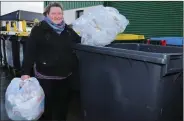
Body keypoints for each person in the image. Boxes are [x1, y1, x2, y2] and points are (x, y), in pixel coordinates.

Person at [21, 2, 81, 121]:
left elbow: (81, 42)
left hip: (65, 78)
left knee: (62, 108)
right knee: (46, 110)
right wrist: (25, 72)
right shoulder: (39, 29)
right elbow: (30, 52)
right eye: (53, 13)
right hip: (45, 78)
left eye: (59, 13)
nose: (57, 16)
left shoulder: (68, 30)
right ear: (47, 14)